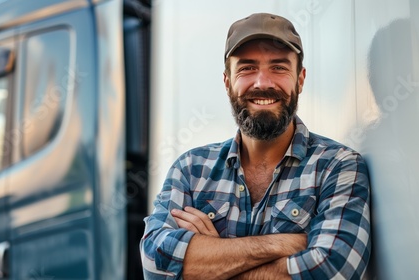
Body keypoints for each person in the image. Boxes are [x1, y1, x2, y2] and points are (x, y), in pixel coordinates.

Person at [140, 12, 371, 279]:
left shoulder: (338, 166)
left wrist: (210, 261)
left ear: (300, 79)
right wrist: (286, 243)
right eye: (247, 68)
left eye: (279, 67)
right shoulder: (191, 169)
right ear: (228, 83)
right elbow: (154, 265)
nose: (263, 83)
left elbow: (333, 270)